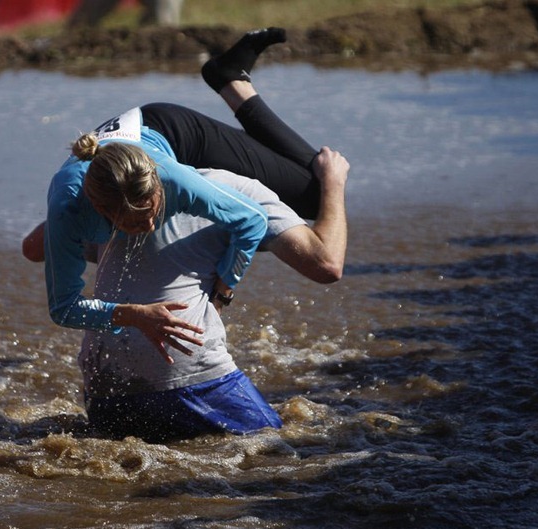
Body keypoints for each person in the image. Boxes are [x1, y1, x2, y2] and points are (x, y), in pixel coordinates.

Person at [38, 28, 332, 354]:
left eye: (151, 213)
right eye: (136, 221)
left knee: (313, 192)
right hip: (93, 182)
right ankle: (56, 232)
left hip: (173, 132)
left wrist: (222, 292)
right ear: (103, 208)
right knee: (34, 248)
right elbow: (63, 308)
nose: (149, 227)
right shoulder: (69, 209)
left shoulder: (172, 179)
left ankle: (230, 79)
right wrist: (133, 315)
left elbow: (251, 219)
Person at [79, 151, 349, 442]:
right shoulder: (237, 187)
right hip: (187, 378)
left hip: (103, 391)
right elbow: (327, 265)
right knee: (278, 446)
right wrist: (333, 183)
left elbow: (34, 248)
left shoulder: (113, 195)